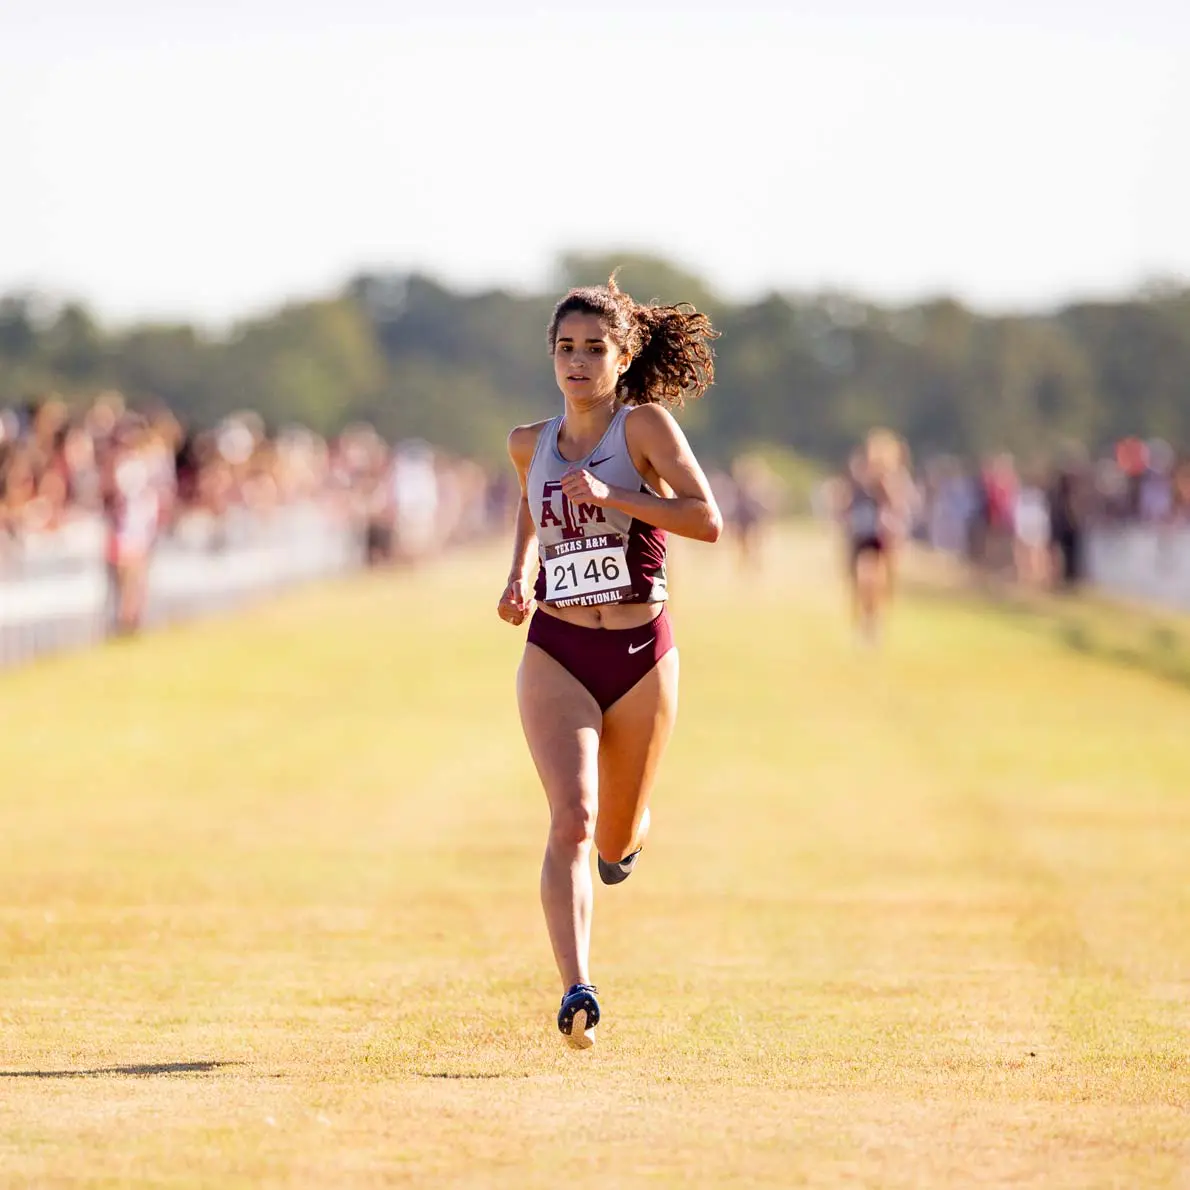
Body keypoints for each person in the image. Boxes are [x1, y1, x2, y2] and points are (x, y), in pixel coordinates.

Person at [497, 275, 722, 1049]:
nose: (578, 362)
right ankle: (576, 987)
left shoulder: (645, 429)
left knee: (614, 835)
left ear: (623, 358)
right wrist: (518, 573)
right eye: (565, 348)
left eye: (595, 349)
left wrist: (619, 500)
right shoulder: (528, 441)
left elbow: (707, 519)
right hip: (556, 647)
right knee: (572, 817)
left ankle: (631, 840)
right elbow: (532, 496)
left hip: (639, 652)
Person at [837, 430, 911, 645]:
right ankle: (862, 622)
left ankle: (874, 621)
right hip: (860, 532)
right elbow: (847, 502)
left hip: (881, 535)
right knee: (858, 580)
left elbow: (897, 506)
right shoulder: (859, 476)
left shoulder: (893, 478)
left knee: (877, 580)